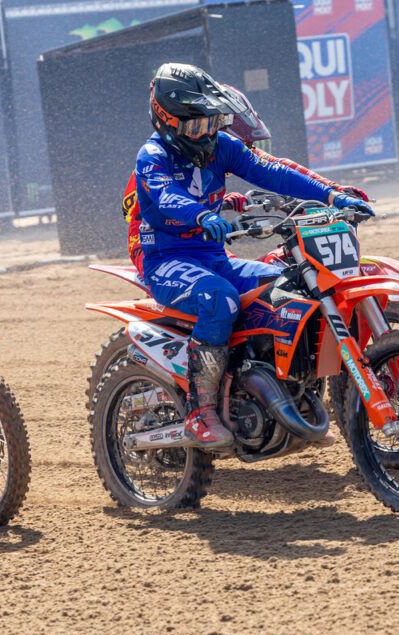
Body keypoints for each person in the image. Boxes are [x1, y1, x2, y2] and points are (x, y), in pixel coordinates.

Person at [137, 63, 369, 447]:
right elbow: (166, 196)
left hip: (215, 259)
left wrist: (332, 195)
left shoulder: (222, 146)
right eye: (196, 126)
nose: (207, 133)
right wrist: (201, 215)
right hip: (168, 261)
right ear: (167, 121)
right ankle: (200, 412)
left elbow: (273, 171)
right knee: (220, 299)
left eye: (212, 122)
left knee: (288, 290)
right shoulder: (152, 155)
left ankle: (282, 394)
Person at [123, 84, 369, 277]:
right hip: (153, 244)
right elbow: (138, 209)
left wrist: (333, 190)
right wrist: (218, 204)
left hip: (204, 242)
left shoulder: (225, 147)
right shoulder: (157, 161)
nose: (248, 149)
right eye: (245, 144)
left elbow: (278, 167)